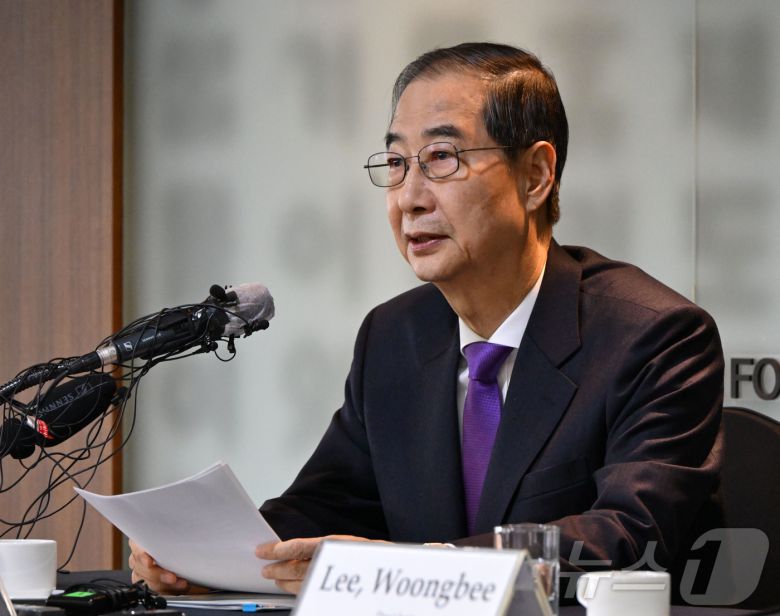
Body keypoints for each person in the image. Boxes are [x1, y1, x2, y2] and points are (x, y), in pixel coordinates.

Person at [129, 42, 724, 597]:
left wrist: (408, 568)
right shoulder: (393, 337)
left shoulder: (652, 336)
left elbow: (631, 537)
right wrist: (206, 557)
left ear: (535, 176)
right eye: (396, 162)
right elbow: (327, 505)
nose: (409, 198)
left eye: (441, 158)